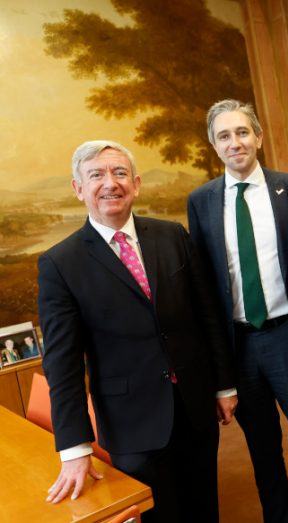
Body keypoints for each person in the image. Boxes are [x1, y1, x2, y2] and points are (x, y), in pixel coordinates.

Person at [37, 140, 237, 522]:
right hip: (132, 426)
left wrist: (223, 385)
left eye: (119, 172)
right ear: (78, 188)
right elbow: (61, 364)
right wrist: (75, 447)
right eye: (96, 175)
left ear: (136, 183)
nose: (110, 183)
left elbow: (207, 316)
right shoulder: (60, 264)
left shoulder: (172, 235)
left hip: (195, 411)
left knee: (204, 509)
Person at [187, 99, 288, 523]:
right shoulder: (200, 202)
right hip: (241, 349)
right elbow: (205, 289)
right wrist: (220, 375)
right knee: (264, 455)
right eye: (224, 136)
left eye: (241, 132)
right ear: (213, 146)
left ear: (258, 137)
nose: (234, 142)